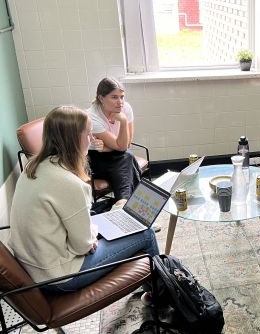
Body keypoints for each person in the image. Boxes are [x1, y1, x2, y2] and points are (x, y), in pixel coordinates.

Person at [5, 106, 158, 300]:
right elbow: (83, 246)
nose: (92, 139)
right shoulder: (70, 184)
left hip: (32, 266)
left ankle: (152, 287)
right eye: (88, 134)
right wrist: (92, 233)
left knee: (104, 215)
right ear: (74, 139)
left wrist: (91, 229)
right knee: (145, 232)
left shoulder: (33, 168)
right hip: (60, 277)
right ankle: (159, 296)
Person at [87, 77, 142, 207]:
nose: (120, 102)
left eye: (122, 97)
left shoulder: (126, 108)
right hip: (94, 158)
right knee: (128, 157)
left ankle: (123, 204)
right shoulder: (92, 117)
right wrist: (123, 122)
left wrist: (107, 148)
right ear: (101, 98)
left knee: (127, 157)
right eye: (114, 97)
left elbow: (126, 144)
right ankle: (133, 208)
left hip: (117, 154)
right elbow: (122, 146)